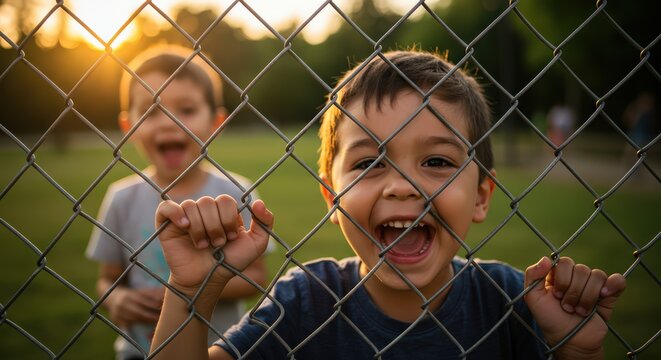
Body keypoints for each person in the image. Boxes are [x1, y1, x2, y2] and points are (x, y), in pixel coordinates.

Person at [149, 50, 626, 359]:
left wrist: (575, 352)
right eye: (369, 163)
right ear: (331, 197)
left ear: (481, 194)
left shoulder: (511, 303)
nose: (401, 186)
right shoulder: (305, 303)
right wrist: (192, 293)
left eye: (437, 160)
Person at [86, 45, 270, 360]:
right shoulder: (122, 198)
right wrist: (116, 300)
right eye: (151, 111)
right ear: (128, 126)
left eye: (186, 110)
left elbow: (256, 276)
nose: (169, 122)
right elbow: (108, 278)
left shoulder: (234, 191)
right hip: (138, 350)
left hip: (220, 348)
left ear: (216, 122)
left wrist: (189, 292)